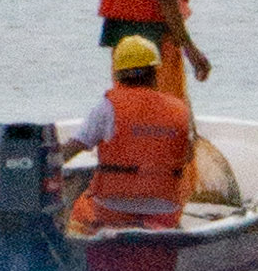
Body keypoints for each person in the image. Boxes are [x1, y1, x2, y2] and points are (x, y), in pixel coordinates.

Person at [76, 33, 195, 235]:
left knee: (78, 209)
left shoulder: (107, 107)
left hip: (113, 209)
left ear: (118, 73)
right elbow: (188, 156)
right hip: (166, 210)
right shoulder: (180, 109)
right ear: (155, 71)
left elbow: (73, 147)